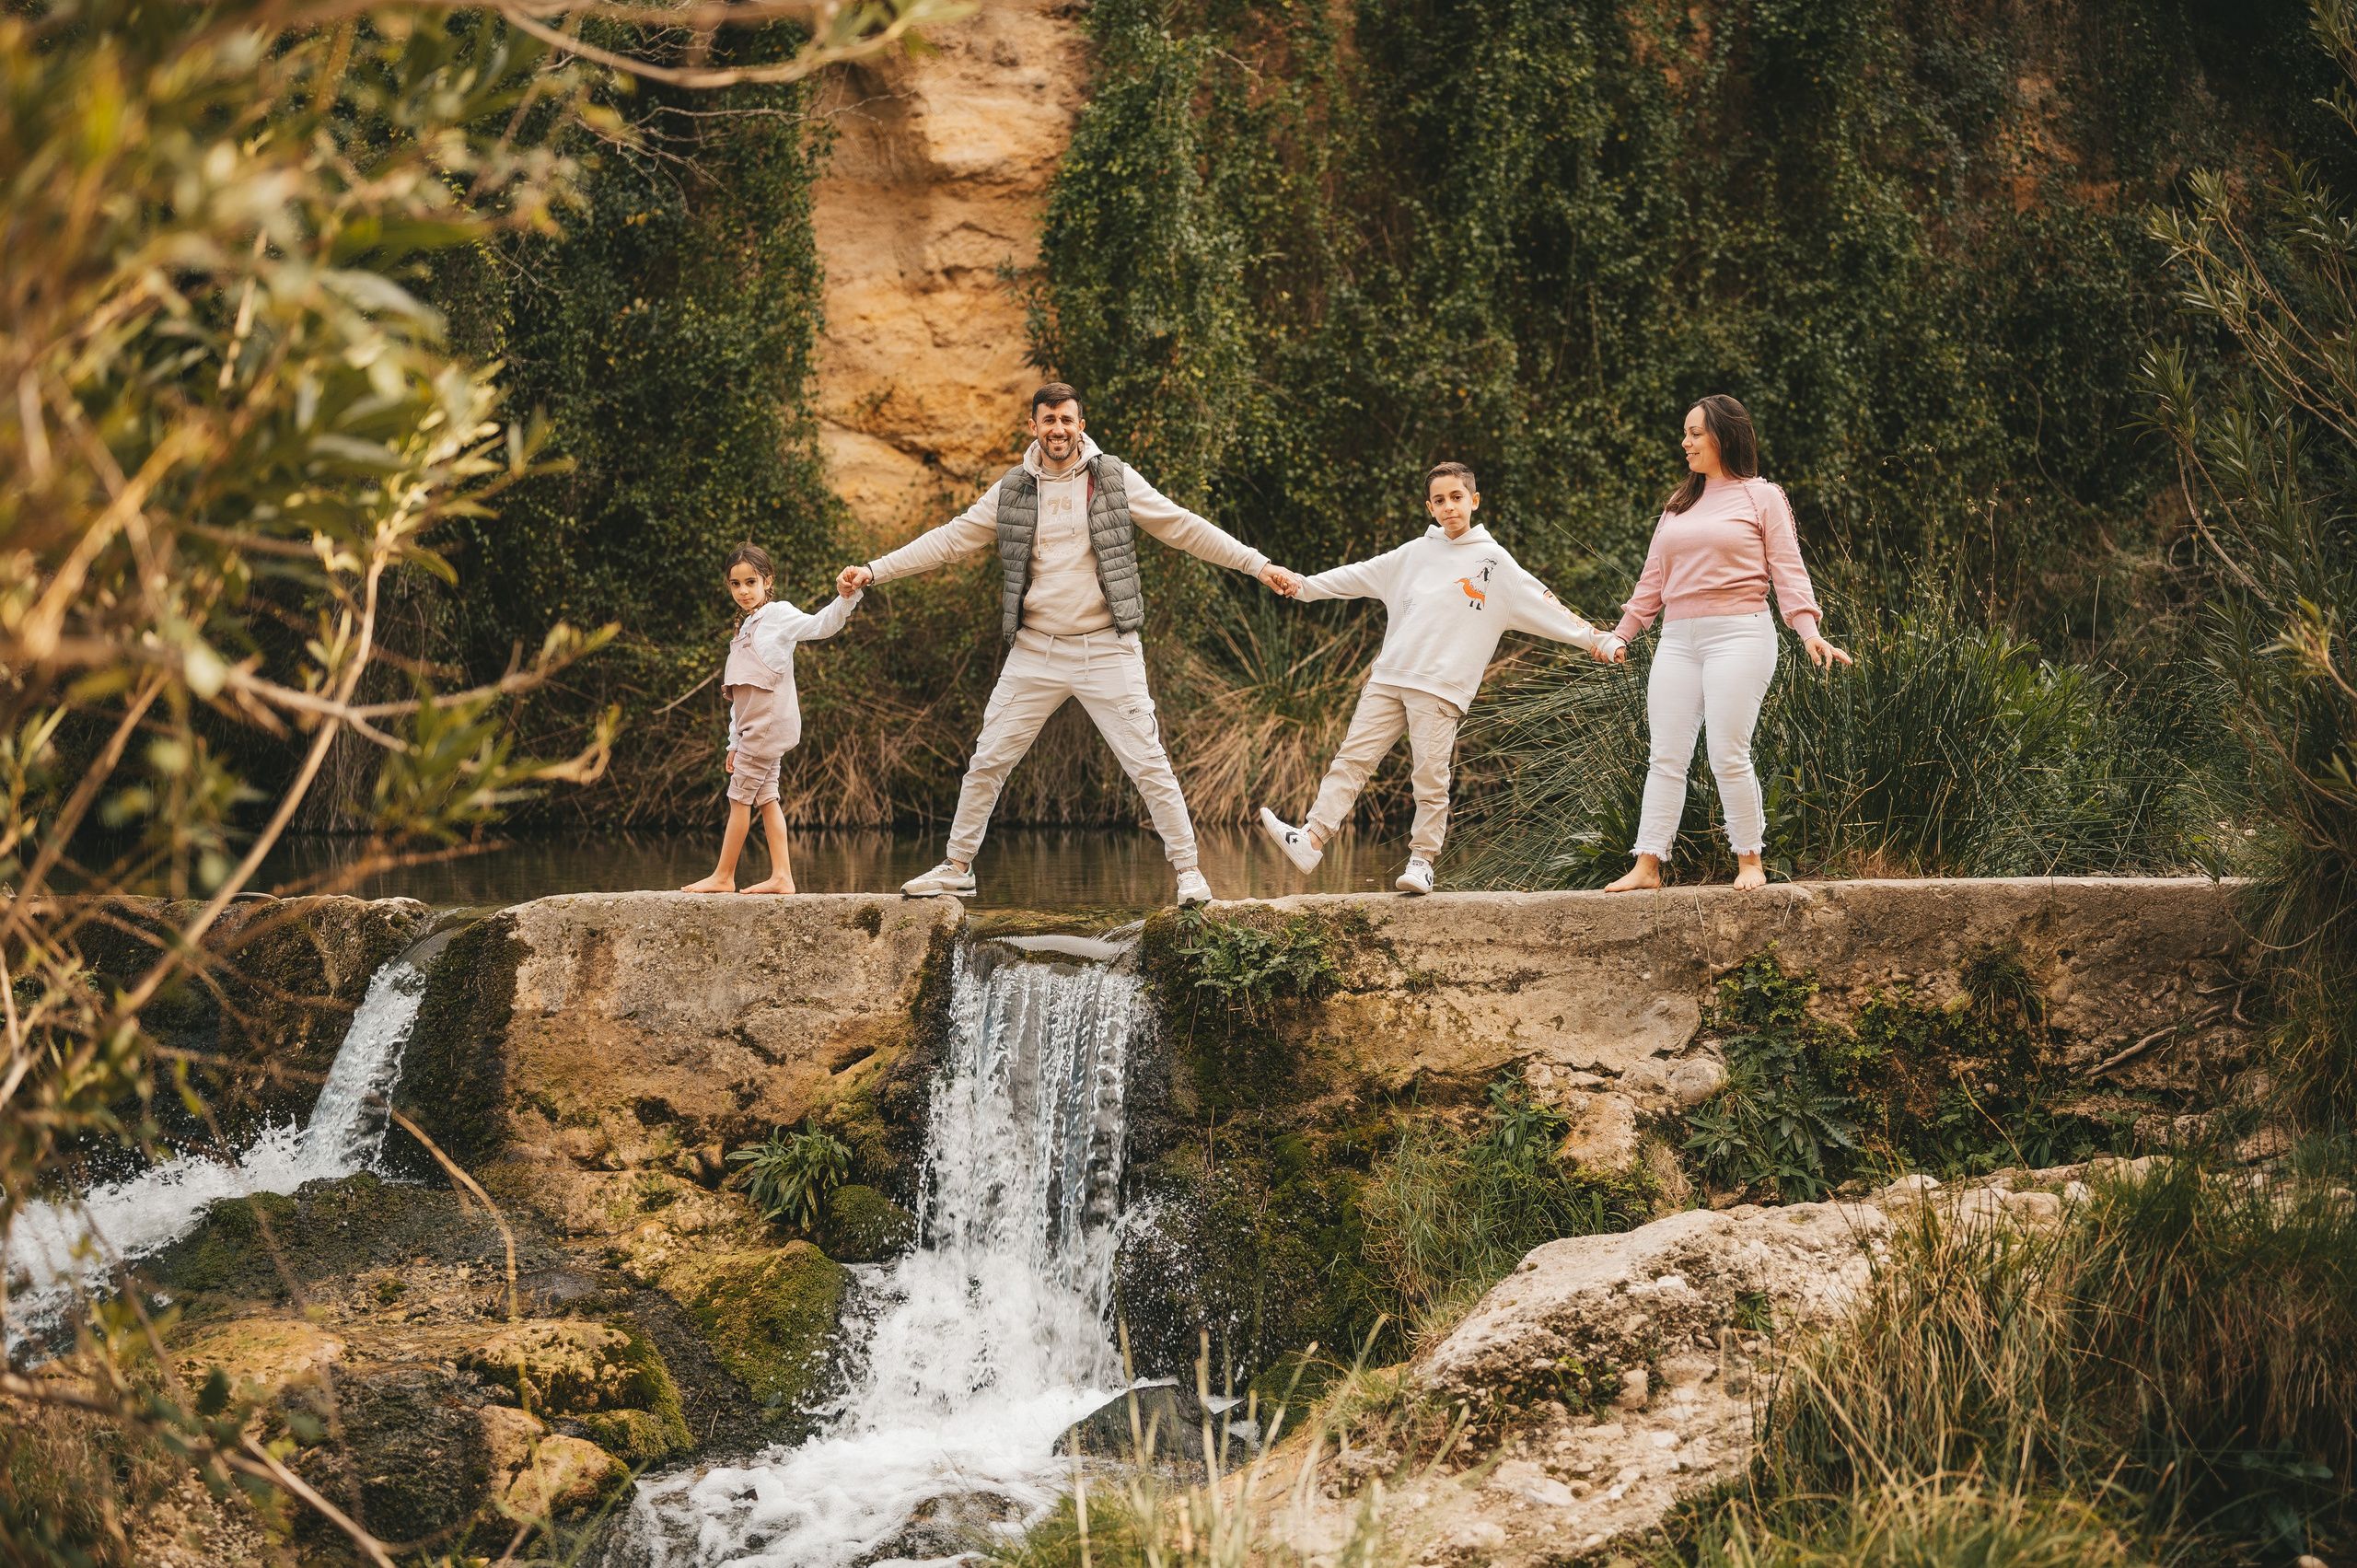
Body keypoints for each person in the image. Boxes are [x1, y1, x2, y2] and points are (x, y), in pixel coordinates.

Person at [837, 384, 1301, 905]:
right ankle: (957, 867)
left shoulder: (1113, 479)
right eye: (1048, 420)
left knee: (1148, 762)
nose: (1058, 429)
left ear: (1081, 424)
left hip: (1108, 647)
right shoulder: (1012, 490)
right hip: (1036, 650)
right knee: (988, 758)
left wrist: (1259, 565)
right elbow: (949, 539)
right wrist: (875, 571)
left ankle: (1190, 874)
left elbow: (1182, 527)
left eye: (1067, 419)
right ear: (1032, 427)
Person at [1257, 462, 1619, 895]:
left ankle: (1422, 862)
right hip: (1389, 676)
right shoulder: (1411, 554)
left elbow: (1548, 607)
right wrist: (1302, 584)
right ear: (1430, 507)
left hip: (1440, 686)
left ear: (1474, 501)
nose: (1450, 507)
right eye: (1440, 501)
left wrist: (1597, 639)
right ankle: (1312, 839)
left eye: (1457, 498)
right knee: (1351, 760)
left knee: (1429, 777)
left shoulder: (1496, 564)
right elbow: (1354, 575)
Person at [1596, 395, 1851, 893]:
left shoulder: (1763, 496)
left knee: (1727, 753)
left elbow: (1788, 571)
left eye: (1694, 433)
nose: (1685, 442)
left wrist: (1809, 630)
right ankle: (1648, 865)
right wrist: (1622, 633)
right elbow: (1652, 582)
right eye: (1685, 433)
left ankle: (1750, 860)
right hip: (1677, 640)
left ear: (1725, 436)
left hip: (1741, 635)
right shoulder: (1678, 505)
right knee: (1666, 756)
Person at [681, 542, 862, 895]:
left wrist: (847, 598)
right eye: (736, 584)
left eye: (751, 582)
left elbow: (821, 625)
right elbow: (739, 698)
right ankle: (782, 876)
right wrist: (734, 742)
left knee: (738, 799)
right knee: (767, 797)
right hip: (753, 730)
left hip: (766, 727)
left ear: (767, 581)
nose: (743, 591)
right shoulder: (745, 627)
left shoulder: (777, 616)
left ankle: (724, 876)